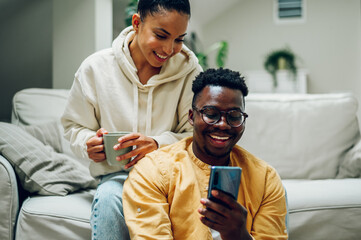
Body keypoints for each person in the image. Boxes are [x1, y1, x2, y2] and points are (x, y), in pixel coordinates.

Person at [61, 0, 202, 239]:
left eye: (179, 39)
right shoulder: (95, 68)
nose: (169, 49)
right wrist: (88, 143)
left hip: (172, 178)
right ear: (136, 23)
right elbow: (73, 126)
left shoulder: (190, 73)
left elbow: (197, 137)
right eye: (161, 35)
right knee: (108, 199)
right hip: (116, 177)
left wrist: (158, 145)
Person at [123, 68, 288, 240]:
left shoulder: (265, 178)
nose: (223, 125)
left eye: (234, 116)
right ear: (192, 117)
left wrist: (239, 235)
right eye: (211, 114)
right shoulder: (152, 171)